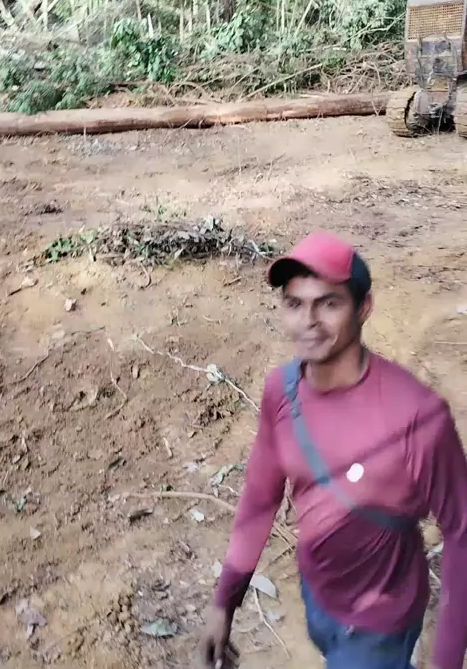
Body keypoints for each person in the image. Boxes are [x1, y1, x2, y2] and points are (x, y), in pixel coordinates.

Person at [200, 231, 467, 669]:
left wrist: (448, 660)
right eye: (294, 303)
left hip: (380, 623)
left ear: (363, 308)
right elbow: (261, 497)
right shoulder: (281, 390)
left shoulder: (417, 416)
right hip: (317, 594)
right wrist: (224, 602)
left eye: (328, 304)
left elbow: (461, 531)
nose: (308, 321)